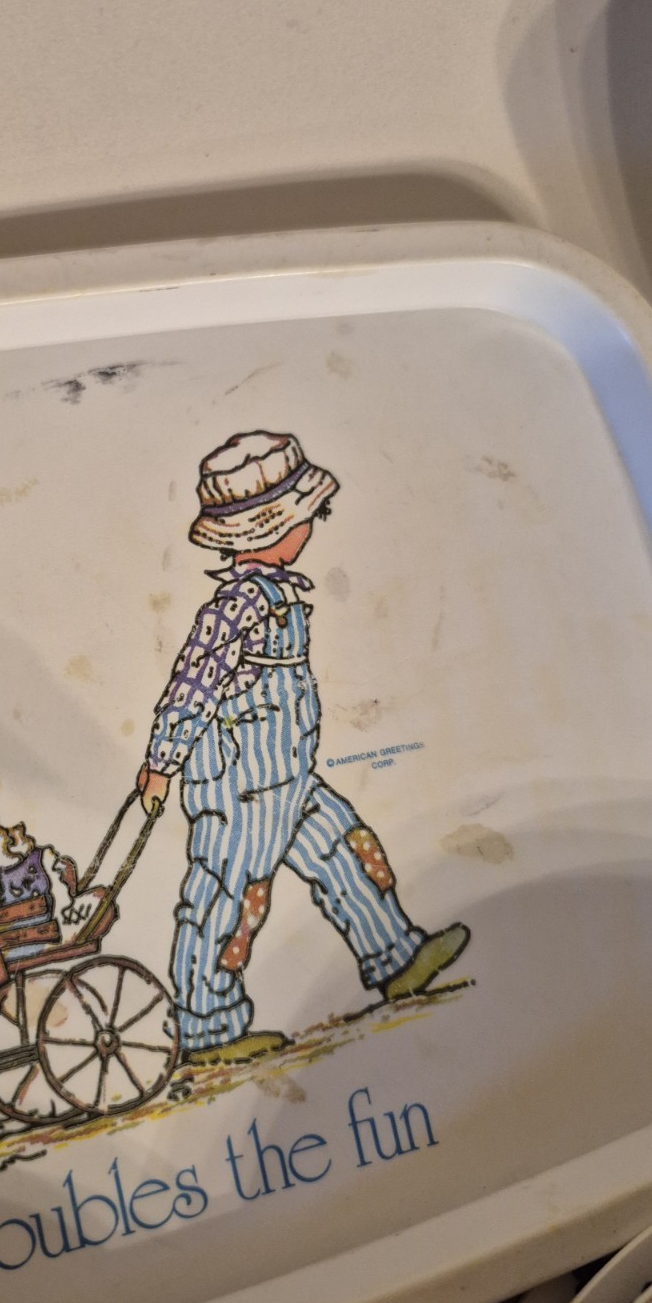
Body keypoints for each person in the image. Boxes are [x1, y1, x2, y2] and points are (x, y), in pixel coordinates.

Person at [138, 431, 469, 1066]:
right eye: (306, 516)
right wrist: (162, 764)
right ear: (270, 529)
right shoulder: (235, 608)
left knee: (346, 851)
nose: (312, 526)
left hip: (288, 775)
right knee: (228, 895)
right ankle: (206, 1026)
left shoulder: (284, 595)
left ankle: (396, 956)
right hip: (239, 788)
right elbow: (191, 686)